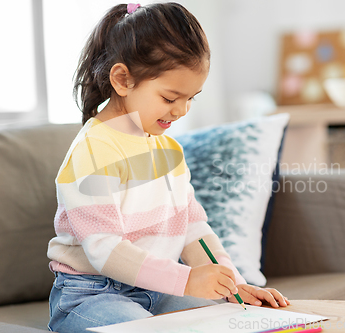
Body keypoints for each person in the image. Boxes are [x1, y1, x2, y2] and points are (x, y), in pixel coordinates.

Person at [46, 2, 290, 332]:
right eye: (170, 98)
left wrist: (233, 285)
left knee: (229, 320)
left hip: (157, 289)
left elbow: (192, 226)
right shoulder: (94, 151)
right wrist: (187, 280)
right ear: (122, 80)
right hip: (91, 295)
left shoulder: (167, 148)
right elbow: (105, 250)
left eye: (192, 97)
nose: (182, 110)